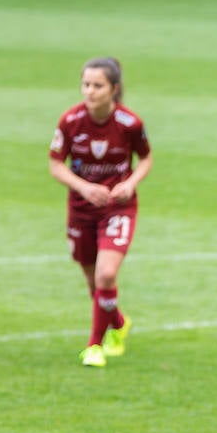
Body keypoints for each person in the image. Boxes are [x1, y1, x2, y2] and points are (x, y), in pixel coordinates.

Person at [48, 57, 153, 368]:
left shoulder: (130, 124)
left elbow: (145, 159)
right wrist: (83, 187)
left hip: (117, 208)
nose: (90, 91)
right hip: (81, 209)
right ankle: (118, 324)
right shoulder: (70, 121)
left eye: (97, 86)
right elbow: (55, 164)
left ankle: (94, 346)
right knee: (95, 284)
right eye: (86, 84)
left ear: (114, 89)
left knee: (107, 274)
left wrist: (131, 183)